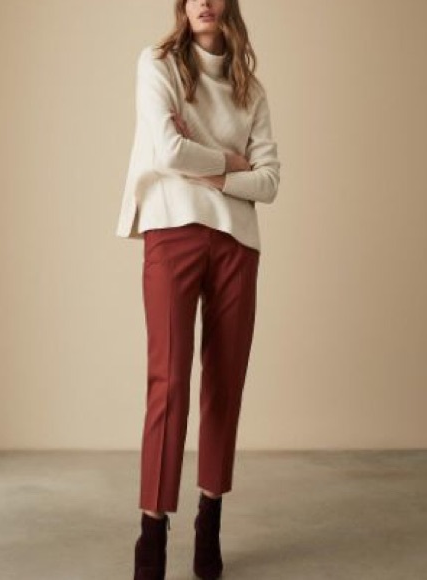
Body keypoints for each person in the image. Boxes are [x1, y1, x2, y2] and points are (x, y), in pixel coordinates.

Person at [116, 1, 281, 578]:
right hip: (172, 228)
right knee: (169, 381)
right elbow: (165, 151)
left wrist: (207, 167)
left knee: (225, 384)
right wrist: (232, 164)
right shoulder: (158, 64)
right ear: (183, 8)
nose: (204, 1)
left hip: (237, 242)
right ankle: (152, 531)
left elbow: (270, 182)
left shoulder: (250, 89)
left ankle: (209, 520)